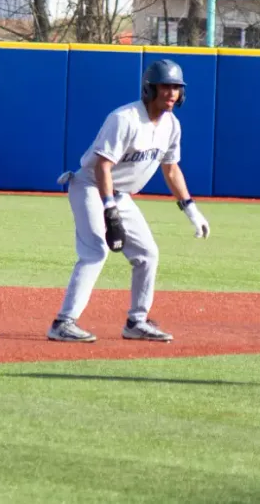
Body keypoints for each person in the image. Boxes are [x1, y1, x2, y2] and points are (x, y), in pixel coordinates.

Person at [47, 59, 211, 344]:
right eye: (165, 87)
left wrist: (190, 208)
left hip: (120, 194)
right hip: (89, 186)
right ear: (150, 89)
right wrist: (109, 209)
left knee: (148, 254)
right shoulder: (124, 119)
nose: (171, 93)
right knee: (96, 251)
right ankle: (63, 322)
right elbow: (102, 167)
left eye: (176, 87)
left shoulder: (171, 125)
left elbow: (171, 168)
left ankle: (136, 321)